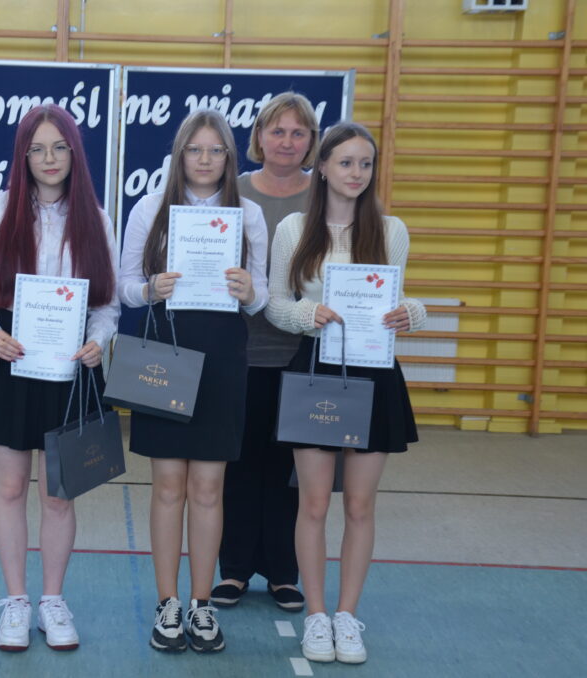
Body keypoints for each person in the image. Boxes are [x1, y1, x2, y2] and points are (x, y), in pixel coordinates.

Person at [0, 105, 118, 653]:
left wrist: (99, 340)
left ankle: (52, 600)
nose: (50, 158)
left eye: (60, 147)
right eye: (38, 148)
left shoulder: (95, 217)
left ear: (74, 154)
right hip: (8, 358)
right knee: (8, 487)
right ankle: (16, 601)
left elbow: (107, 303)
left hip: (70, 366)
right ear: (23, 156)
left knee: (59, 495)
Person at [265, 121, 426, 664]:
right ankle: (316, 615)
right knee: (312, 503)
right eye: (346, 162)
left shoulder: (392, 230)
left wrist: (413, 313)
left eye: (365, 163)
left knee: (360, 505)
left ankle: (347, 616)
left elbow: (401, 300)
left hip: (374, 374)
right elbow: (274, 304)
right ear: (323, 167)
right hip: (315, 368)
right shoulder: (293, 229)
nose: (357, 173)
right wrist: (307, 314)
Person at [118, 109, 268, 654]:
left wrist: (249, 291)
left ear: (229, 158)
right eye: (195, 149)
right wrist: (150, 289)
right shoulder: (149, 209)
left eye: (216, 150)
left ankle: (202, 603)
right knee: (167, 486)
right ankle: (168, 603)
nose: (205, 160)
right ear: (179, 155)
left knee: (208, 487)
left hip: (223, 356)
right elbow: (124, 285)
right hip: (165, 350)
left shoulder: (248, 214)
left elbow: (264, 295)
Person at [212, 92, 319, 613]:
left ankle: (283, 572)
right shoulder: (230, 193)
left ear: (311, 142)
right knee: (235, 468)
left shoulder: (327, 196)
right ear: (259, 137)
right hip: (238, 352)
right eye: (278, 131)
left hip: (304, 355)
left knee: (289, 472)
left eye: (298, 133)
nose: (287, 142)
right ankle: (233, 570)